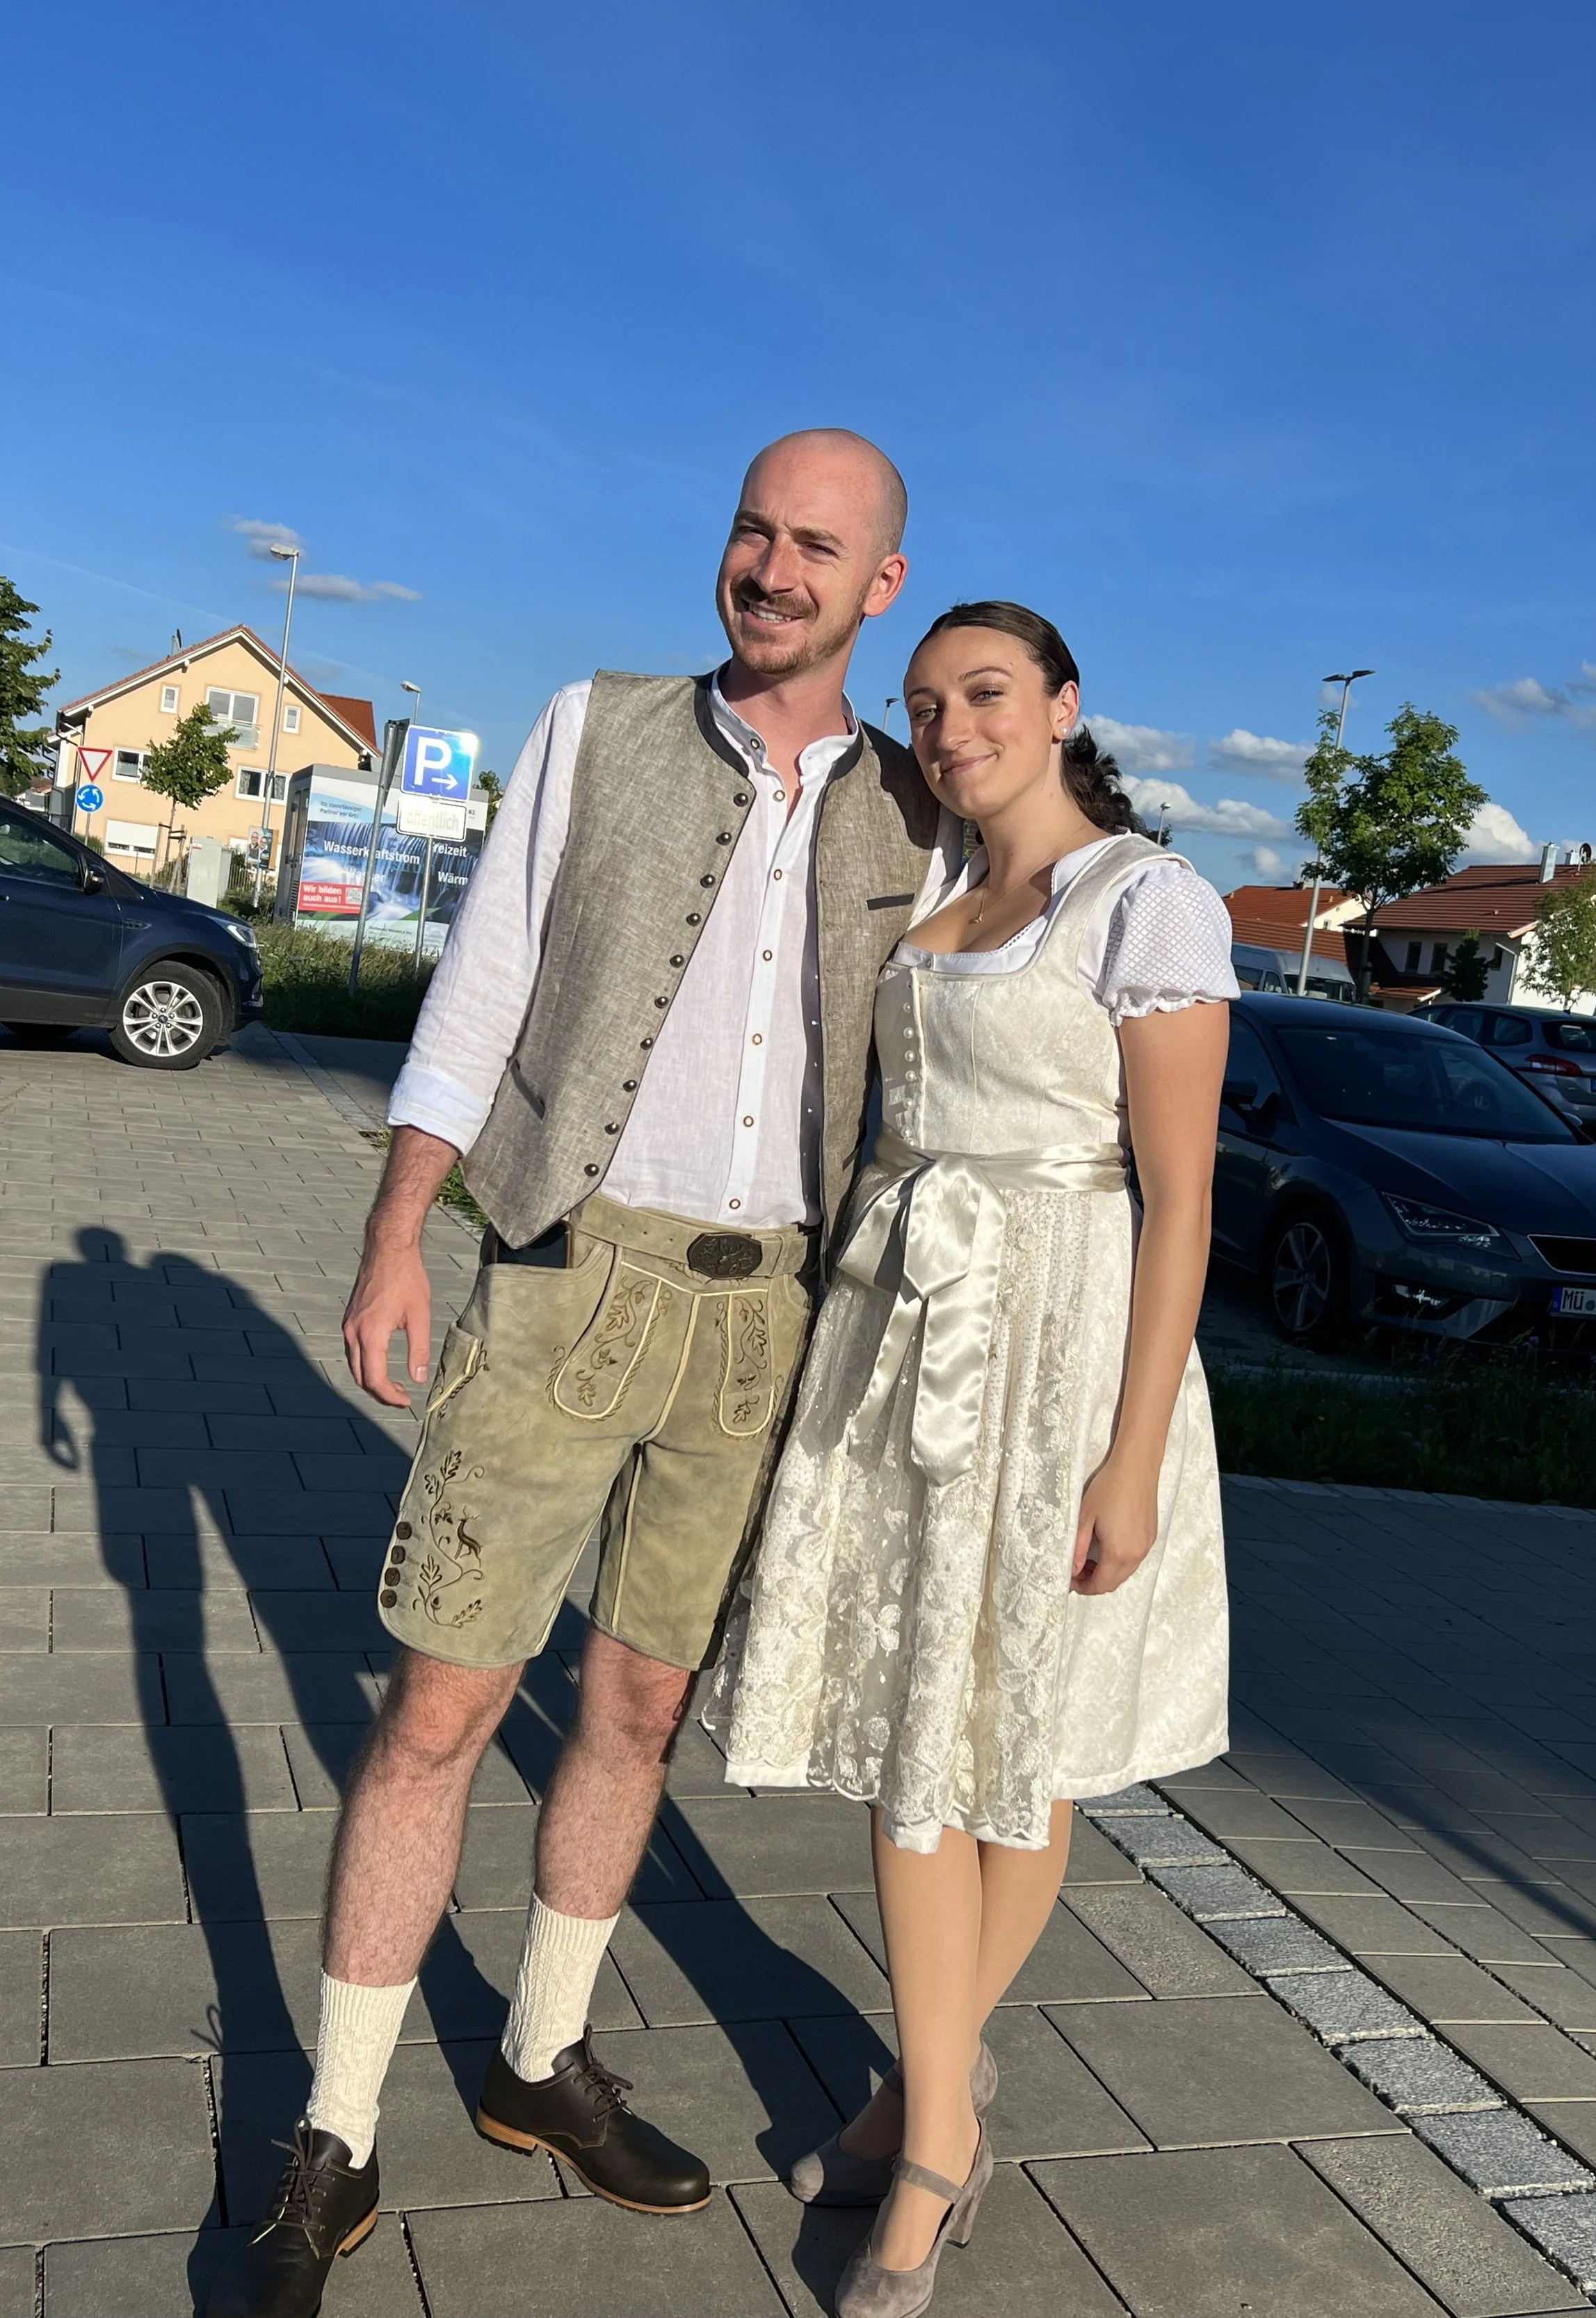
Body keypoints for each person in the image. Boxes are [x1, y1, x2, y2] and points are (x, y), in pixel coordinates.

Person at [207, 430, 958, 2318]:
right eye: (750, 531)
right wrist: (399, 1227)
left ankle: (539, 2057)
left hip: (760, 1317)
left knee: (631, 1713)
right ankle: (336, 2130)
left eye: (814, 548)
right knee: (442, 1707)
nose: (767, 569)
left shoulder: (920, 812)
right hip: (562, 1277)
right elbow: (479, 985)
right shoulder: (598, 725)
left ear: (880, 586)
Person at [711, 602, 1236, 2317]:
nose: (948, 728)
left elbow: (1179, 1205)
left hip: (1062, 1356)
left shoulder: (1144, 902)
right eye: (926, 704)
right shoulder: (930, 895)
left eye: (985, 695)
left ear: (1064, 704)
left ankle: (921, 2129)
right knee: (909, 1730)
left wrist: (1133, 1453)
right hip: (903, 1332)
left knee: (1019, 1738)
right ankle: (936, 2105)